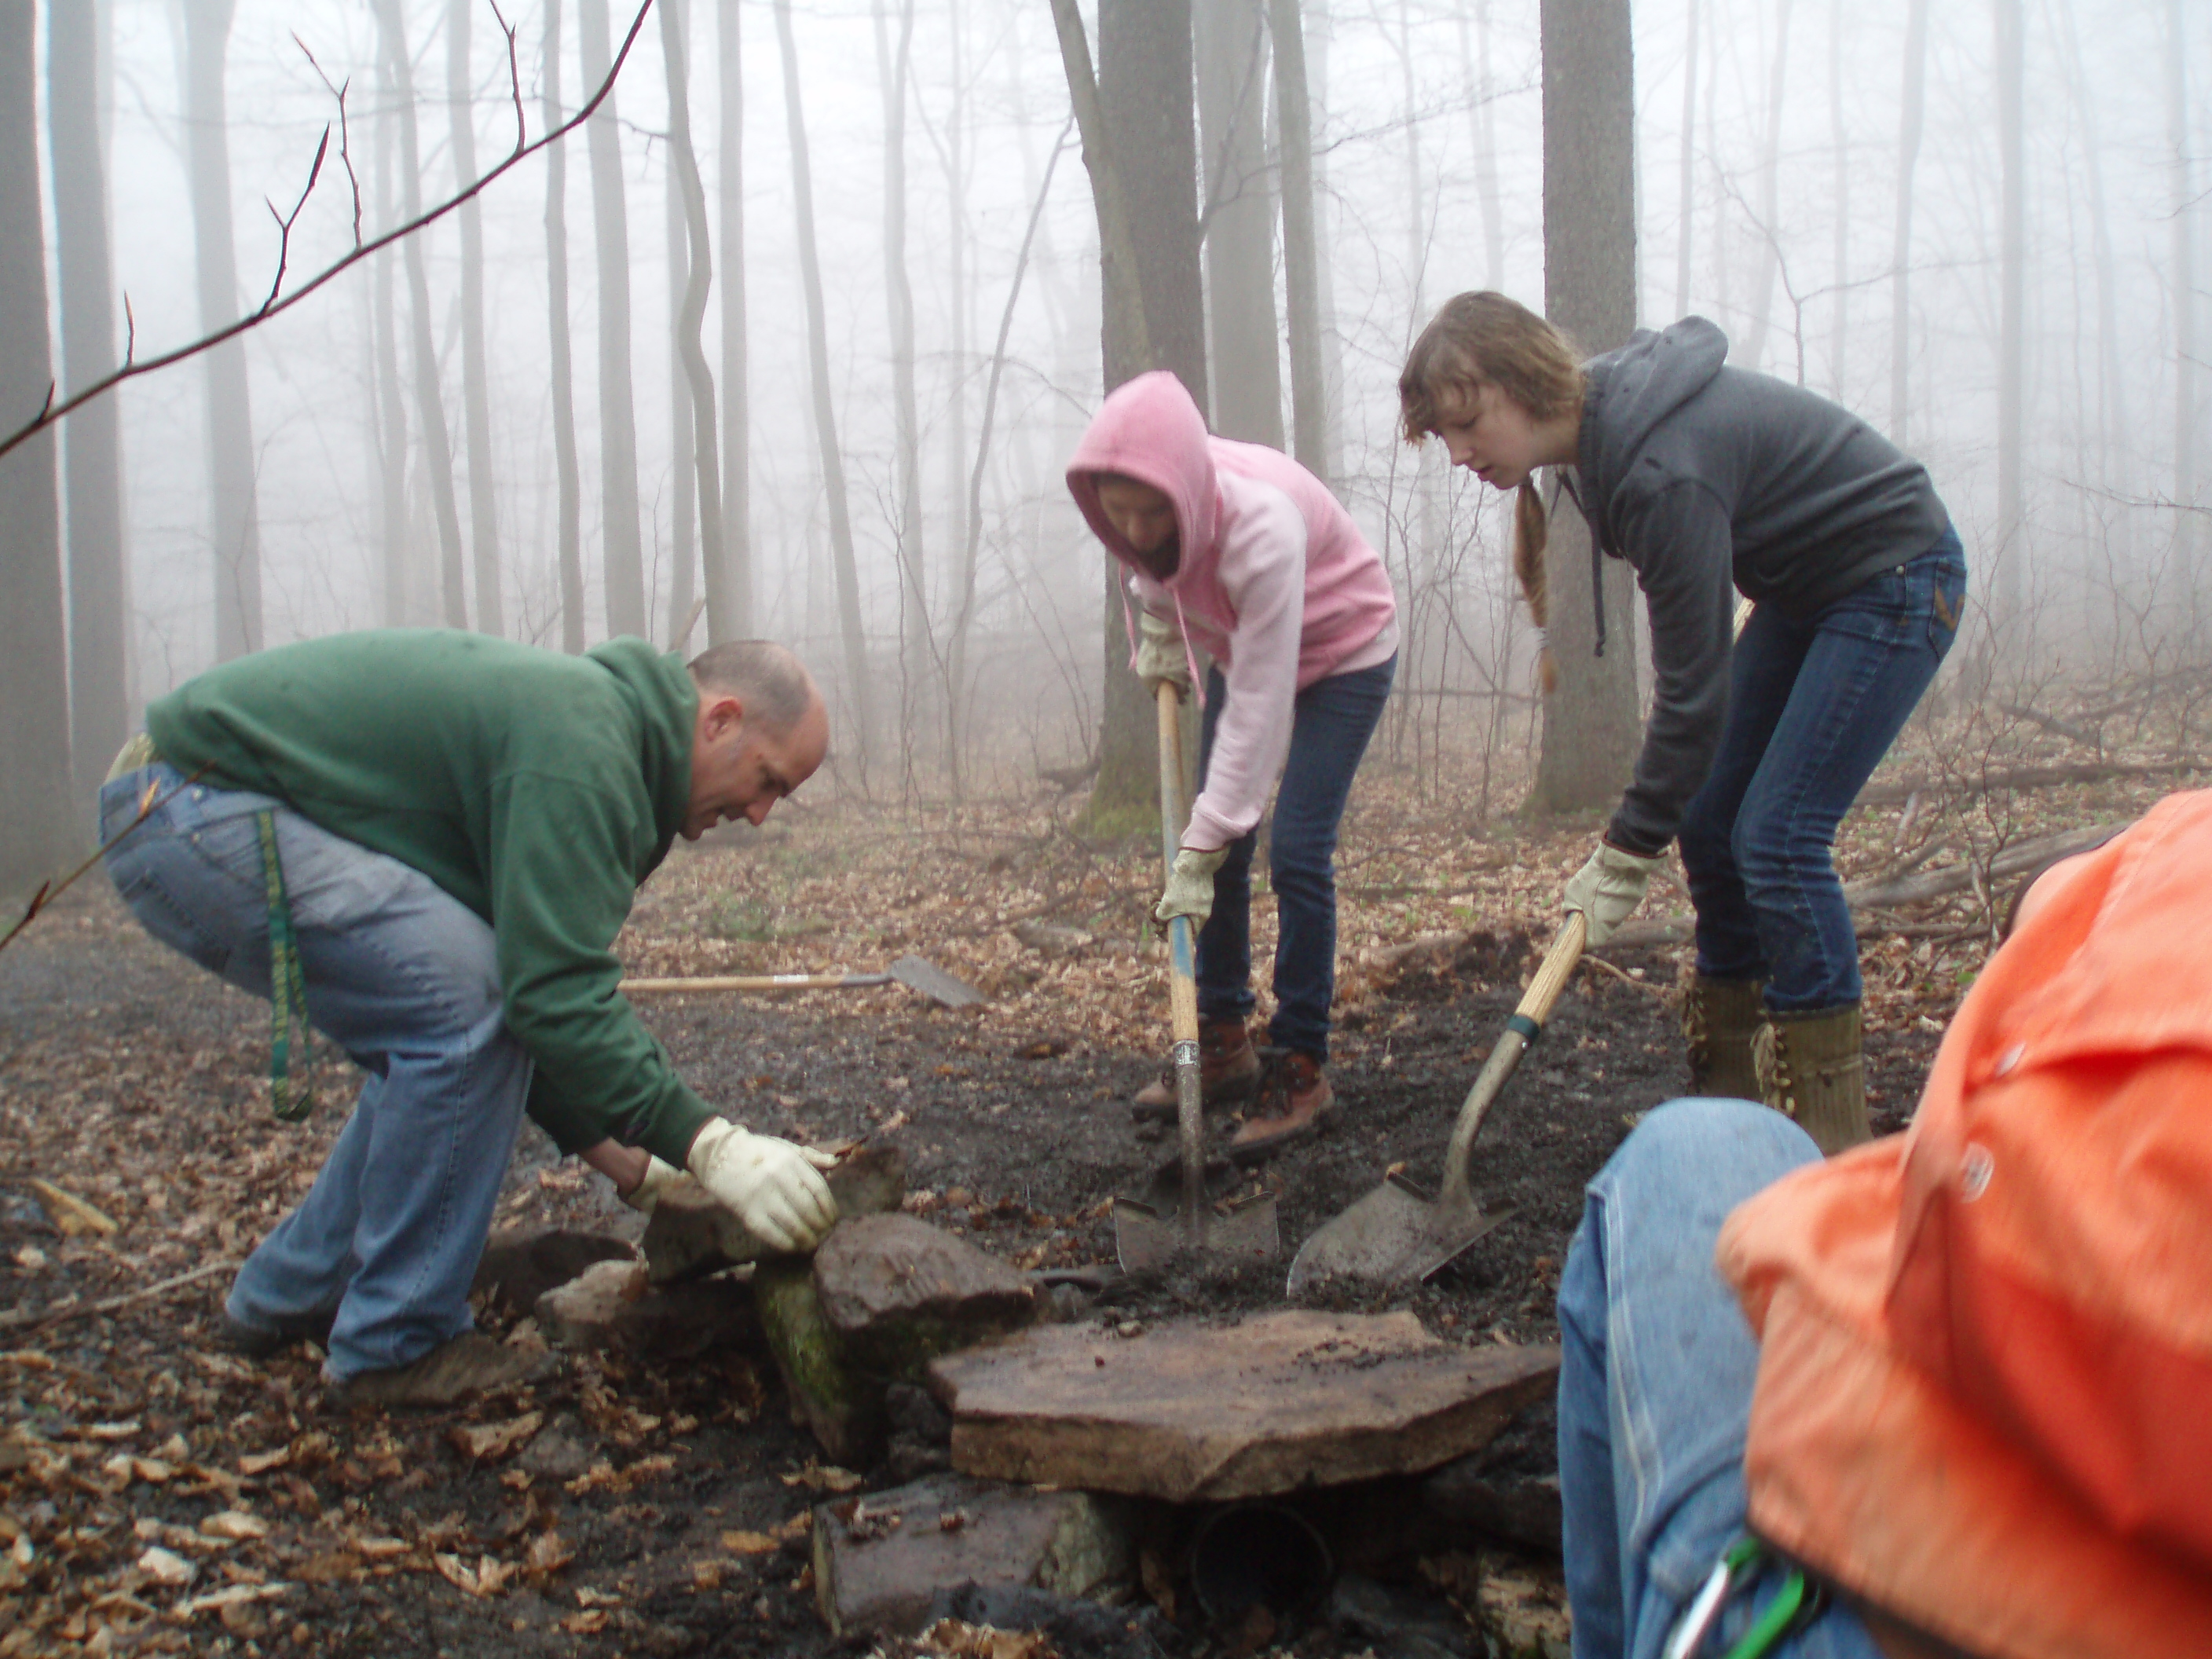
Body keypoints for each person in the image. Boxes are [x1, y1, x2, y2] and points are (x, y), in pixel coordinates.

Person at [99, 632, 840, 1406]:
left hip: (193, 804)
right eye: (767, 781)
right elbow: (546, 996)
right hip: (187, 805)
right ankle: (394, 1345)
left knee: (453, 1013)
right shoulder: (585, 748)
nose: (760, 815)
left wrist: (638, 1167)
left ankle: (297, 1293)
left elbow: (529, 1003)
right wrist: (710, 1144)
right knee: (458, 1014)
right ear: (720, 720)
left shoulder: (604, 741)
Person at [1557, 791, 2212, 1658]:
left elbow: (2048, 899)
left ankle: (1825, 1118)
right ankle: (1746, 1070)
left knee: (1693, 1145)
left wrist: (1634, 833)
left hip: (1924, 1594)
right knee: (1733, 830)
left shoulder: (2181, 855)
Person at [1398, 292, 1967, 1153]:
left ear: (1523, 383)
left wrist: (1625, 849)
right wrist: (1655, 825)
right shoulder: (1601, 436)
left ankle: (1830, 1136)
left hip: (1893, 574)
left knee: (1777, 838)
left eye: (1468, 423)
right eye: (1445, 434)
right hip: (1808, 589)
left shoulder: (1661, 469)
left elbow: (1693, 695)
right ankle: (1730, 1109)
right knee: (1705, 819)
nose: (1458, 452)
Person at [1066, 371, 1398, 1160]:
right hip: (1245, 648)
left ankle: (1301, 1064)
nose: (1138, 529)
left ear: (1186, 489)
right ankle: (1221, 1040)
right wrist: (1157, 629)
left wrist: (1205, 837)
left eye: (1154, 512)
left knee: (1297, 850)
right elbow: (1153, 574)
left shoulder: (1261, 529)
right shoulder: (1143, 509)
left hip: (1343, 649)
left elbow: (1257, 704)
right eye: (1120, 513)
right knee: (1221, 850)